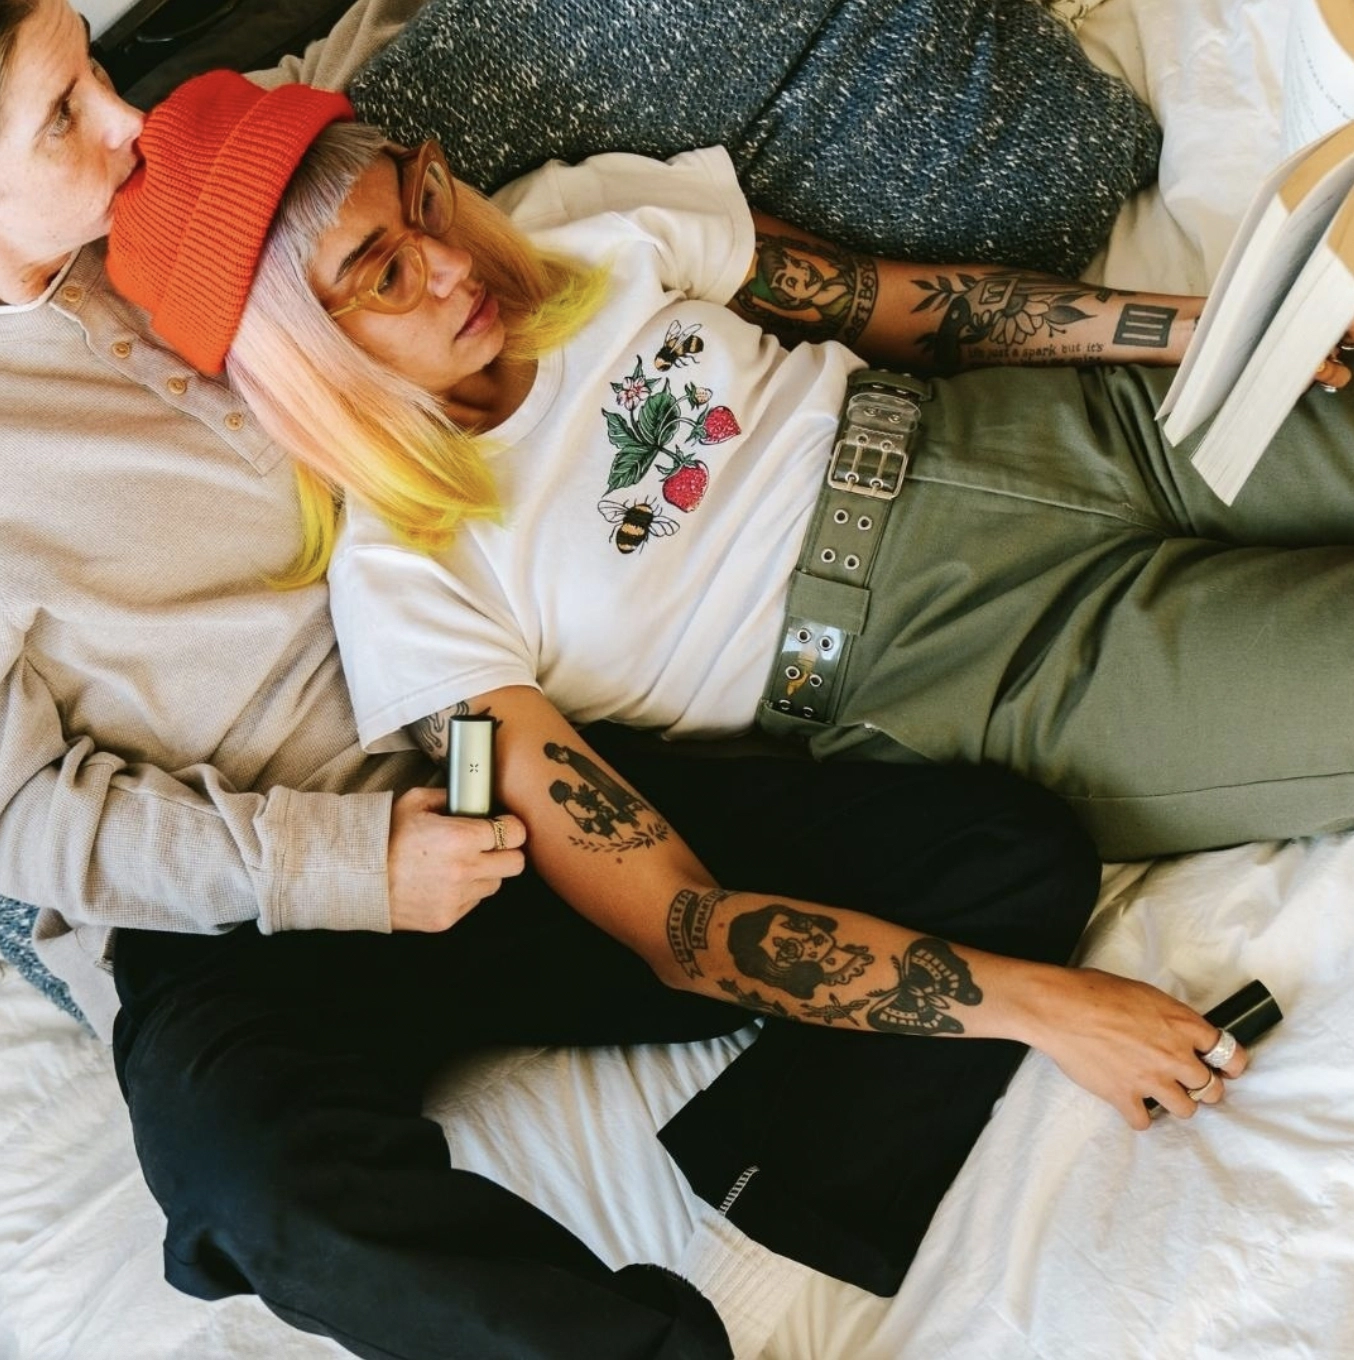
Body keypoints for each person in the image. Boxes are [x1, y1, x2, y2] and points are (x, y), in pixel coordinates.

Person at [0, 5, 1166, 1358]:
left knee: (1001, 853)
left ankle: (764, 1241)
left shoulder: (191, 187)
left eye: (96, 69)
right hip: (239, 909)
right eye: (63, 114)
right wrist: (344, 863)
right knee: (251, 1184)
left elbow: (368, 99)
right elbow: (22, 818)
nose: (127, 119)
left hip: (501, 772)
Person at [107, 74, 1262, 1146]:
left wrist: (1205, 328)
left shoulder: (580, 222)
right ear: (304, 355)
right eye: (385, 275)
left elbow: (891, 302)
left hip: (1028, 430)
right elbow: (674, 921)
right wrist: (1045, 1007)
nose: (452, 263)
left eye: (421, 199)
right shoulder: (402, 585)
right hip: (977, 659)